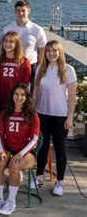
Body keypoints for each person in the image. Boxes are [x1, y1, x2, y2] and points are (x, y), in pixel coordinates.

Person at [33, 40, 77, 195]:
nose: (51, 53)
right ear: (45, 53)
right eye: (48, 50)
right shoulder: (41, 68)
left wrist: (70, 117)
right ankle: (39, 177)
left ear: (60, 52)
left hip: (60, 116)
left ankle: (60, 182)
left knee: (60, 148)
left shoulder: (68, 70)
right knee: (42, 147)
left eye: (54, 50)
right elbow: (36, 92)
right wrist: (32, 110)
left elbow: (72, 97)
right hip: (42, 114)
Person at [0, 83, 40, 215]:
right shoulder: (5, 113)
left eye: (22, 94)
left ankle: (11, 201)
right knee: (0, 162)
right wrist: (1, 150)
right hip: (8, 148)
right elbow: (0, 134)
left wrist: (21, 153)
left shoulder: (32, 114)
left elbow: (35, 139)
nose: (19, 97)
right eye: (16, 94)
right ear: (12, 96)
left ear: (27, 97)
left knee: (14, 165)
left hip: (27, 152)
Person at [3, 0, 47, 83]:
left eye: (23, 10)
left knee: (29, 94)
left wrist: (38, 65)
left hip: (31, 67)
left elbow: (42, 48)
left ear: (29, 11)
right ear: (14, 11)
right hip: (12, 67)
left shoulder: (37, 30)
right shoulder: (8, 29)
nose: (21, 13)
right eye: (18, 11)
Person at [0, 31, 31, 113]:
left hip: (16, 103)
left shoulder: (24, 62)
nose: (7, 44)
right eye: (5, 41)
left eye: (11, 42)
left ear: (17, 44)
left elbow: (25, 85)